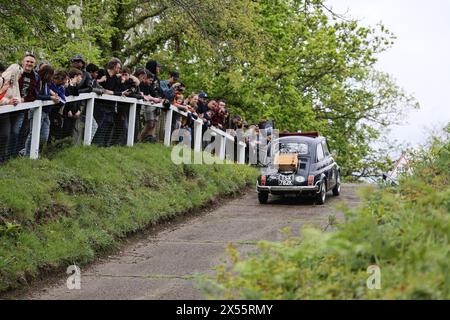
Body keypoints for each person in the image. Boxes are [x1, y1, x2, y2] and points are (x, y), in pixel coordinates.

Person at [23, 65, 60, 156]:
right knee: (32, 134)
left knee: (44, 136)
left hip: (45, 112)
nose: (52, 77)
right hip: (35, 111)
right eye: (51, 75)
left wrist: (53, 95)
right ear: (46, 74)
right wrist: (50, 97)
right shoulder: (37, 81)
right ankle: (27, 154)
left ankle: (34, 152)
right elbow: (37, 96)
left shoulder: (46, 83)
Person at [92, 59, 123, 147]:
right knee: (101, 123)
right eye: (118, 67)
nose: (119, 69)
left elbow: (117, 91)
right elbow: (94, 85)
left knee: (110, 124)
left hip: (110, 106)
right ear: (113, 66)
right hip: (98, 104)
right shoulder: (102, 72)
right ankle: (96, 144)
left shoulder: (116, 78)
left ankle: (105, 145)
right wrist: (101, 81)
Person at [0, 64, 23, 162]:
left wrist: (16, 100)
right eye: (19, 74)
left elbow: (18, 96)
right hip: (2, 110)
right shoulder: (2, 80)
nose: (21, 76)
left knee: (6, 135)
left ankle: (3, 158)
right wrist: (7, 101)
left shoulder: (15, 83)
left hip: (7, 114)